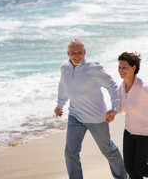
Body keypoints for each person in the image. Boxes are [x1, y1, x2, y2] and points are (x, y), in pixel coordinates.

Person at [54, 38, 127, 179]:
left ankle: (122, 177)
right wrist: (59, 105)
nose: (76, 55)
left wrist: (114, 108)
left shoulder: (94, 67)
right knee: (70, 152)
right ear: (67, 53)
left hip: (97, 118)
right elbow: (63, 85)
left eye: (79, 52)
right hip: (75, 115)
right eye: (73, 52)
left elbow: (111, 86)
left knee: (108, 151)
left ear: (84, 52)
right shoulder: (64, 67)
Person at [118, 52, 148, 179]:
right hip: (128, 133)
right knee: (130, 169)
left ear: (133, 68)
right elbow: (118, 108)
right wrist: (108, 114)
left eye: (124, 67)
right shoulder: (121, 88)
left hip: (145, 135)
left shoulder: (144, 88)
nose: (120, 70)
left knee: (140, 169)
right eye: (119, 67)